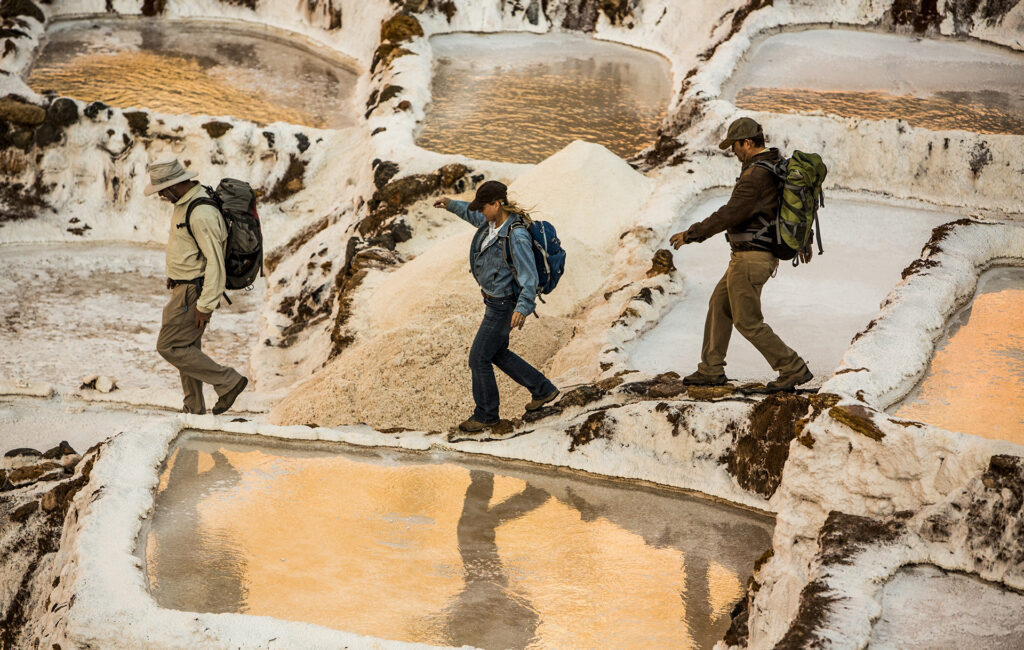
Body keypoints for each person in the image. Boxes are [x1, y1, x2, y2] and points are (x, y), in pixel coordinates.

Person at [669, 117, 813, 393]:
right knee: (719, 305)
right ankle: (710, 369)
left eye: (735, 146)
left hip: (751, 258)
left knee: (747, 321)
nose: (733, 152)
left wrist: (692, 234)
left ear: (747, 142)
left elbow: (730, 213)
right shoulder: (773, 165)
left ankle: (792, 367)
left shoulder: (757, 175)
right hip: (749, 257)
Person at [434, 181, 559, 432]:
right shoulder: (491, 222)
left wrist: (522, 308)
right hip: (493, 300)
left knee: (478, 358)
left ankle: (486, 415)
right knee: (497, 353)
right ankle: (543, 389)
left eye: (484, 208)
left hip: (503, 305)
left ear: (496, 204)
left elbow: (529, 276)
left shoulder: (517, 235)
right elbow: (471, 214)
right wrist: (450, 204)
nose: (480, 212)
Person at [145, 158, 248, 415]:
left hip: (193, 293)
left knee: (170, 346)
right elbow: (189, 247)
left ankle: (228, 381)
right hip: (185, 286)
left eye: (161, 190)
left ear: (174, 185)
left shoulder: (202, 212)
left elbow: (215, 263)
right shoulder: (185, 202)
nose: (160, 195)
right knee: (186, 348)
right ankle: (193, 407)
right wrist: (175, 273)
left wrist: (206, 304)